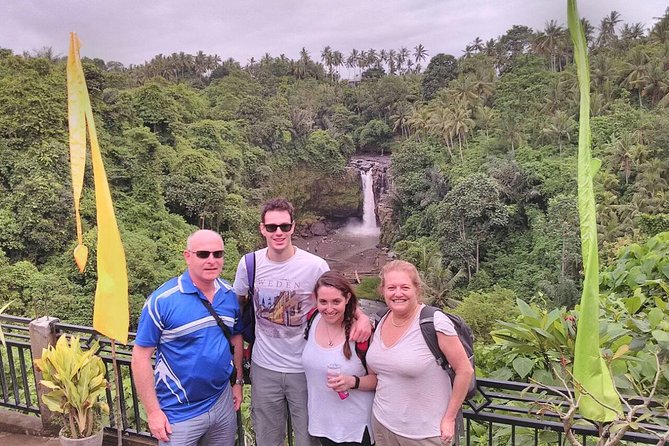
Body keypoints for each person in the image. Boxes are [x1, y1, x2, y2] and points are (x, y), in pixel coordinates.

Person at [233, 198, 372, 446]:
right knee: (267, 437)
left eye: (284, 226)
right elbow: (238, 303)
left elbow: (337, 294)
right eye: (272, 227)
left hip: (305, 368)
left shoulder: (315, 265)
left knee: (308, 438)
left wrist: (361, 316)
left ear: (293, 227)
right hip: (264, 366)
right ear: (262, 228)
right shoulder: (250, 264)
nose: (279, 232)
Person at [132, 230, 243, 446]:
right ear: (187, 256)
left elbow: (235, 338)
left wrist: (237, 383)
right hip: (178, 411)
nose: (212, 260)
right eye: (203, 254)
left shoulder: (229, 295)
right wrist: (153, 412)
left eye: (217, 254)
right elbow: (140, 357)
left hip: (221, 402)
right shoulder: (162, 301)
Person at [366, 260, 474, 446]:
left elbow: (465, 370)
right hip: (383, 423)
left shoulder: (434, 322)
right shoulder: (380, 319)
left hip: (425, 432)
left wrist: (449, 418)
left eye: (405, 287)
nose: (398, 293)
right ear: (382, 290)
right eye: (391, 287)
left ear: (417, 289)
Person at [302, 271, 377, 446]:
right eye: (323, 302)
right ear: (316, 299)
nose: (329, 309)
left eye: (336, 301)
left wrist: (353, 382)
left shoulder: (361, 333)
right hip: (322, 425)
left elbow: (378, 380)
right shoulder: (312, 320)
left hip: (355, 430)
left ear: (347, 298)